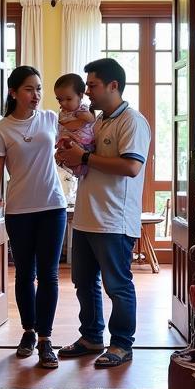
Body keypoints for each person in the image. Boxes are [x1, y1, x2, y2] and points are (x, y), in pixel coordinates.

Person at [56, 57, 151, 367]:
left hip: (114, 219)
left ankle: (122, 344)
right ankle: (92, 337)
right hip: (85, 216)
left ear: (114, 85)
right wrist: (69, 156)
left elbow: (131, 166)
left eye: (92, 86)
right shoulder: (96, 122)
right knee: (84, 282)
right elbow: (86, 163)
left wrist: (83, 154)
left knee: (117, 286)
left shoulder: (132, 121)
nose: (88, 92)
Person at [0, 66, 66, 369]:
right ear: (14, 92)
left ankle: (46, 339)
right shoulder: (2, 128)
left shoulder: (50, 118)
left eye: (39, 88)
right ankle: (28, 332)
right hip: (19, 210)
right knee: (24, 274)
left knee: (49, 274)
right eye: (30, 89)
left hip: (52, 207)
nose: (36, 95)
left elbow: (81, 133)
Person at [54, 72, 96, 178]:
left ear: (80, 95)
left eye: (68, 99)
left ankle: (78, 168)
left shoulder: (82, 109)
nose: (63, 103)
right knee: (61, 155)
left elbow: (91, 119)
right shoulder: (62, 113)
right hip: (68, 141)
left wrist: (68, 123)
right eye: (59, 99)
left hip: (83, 142)